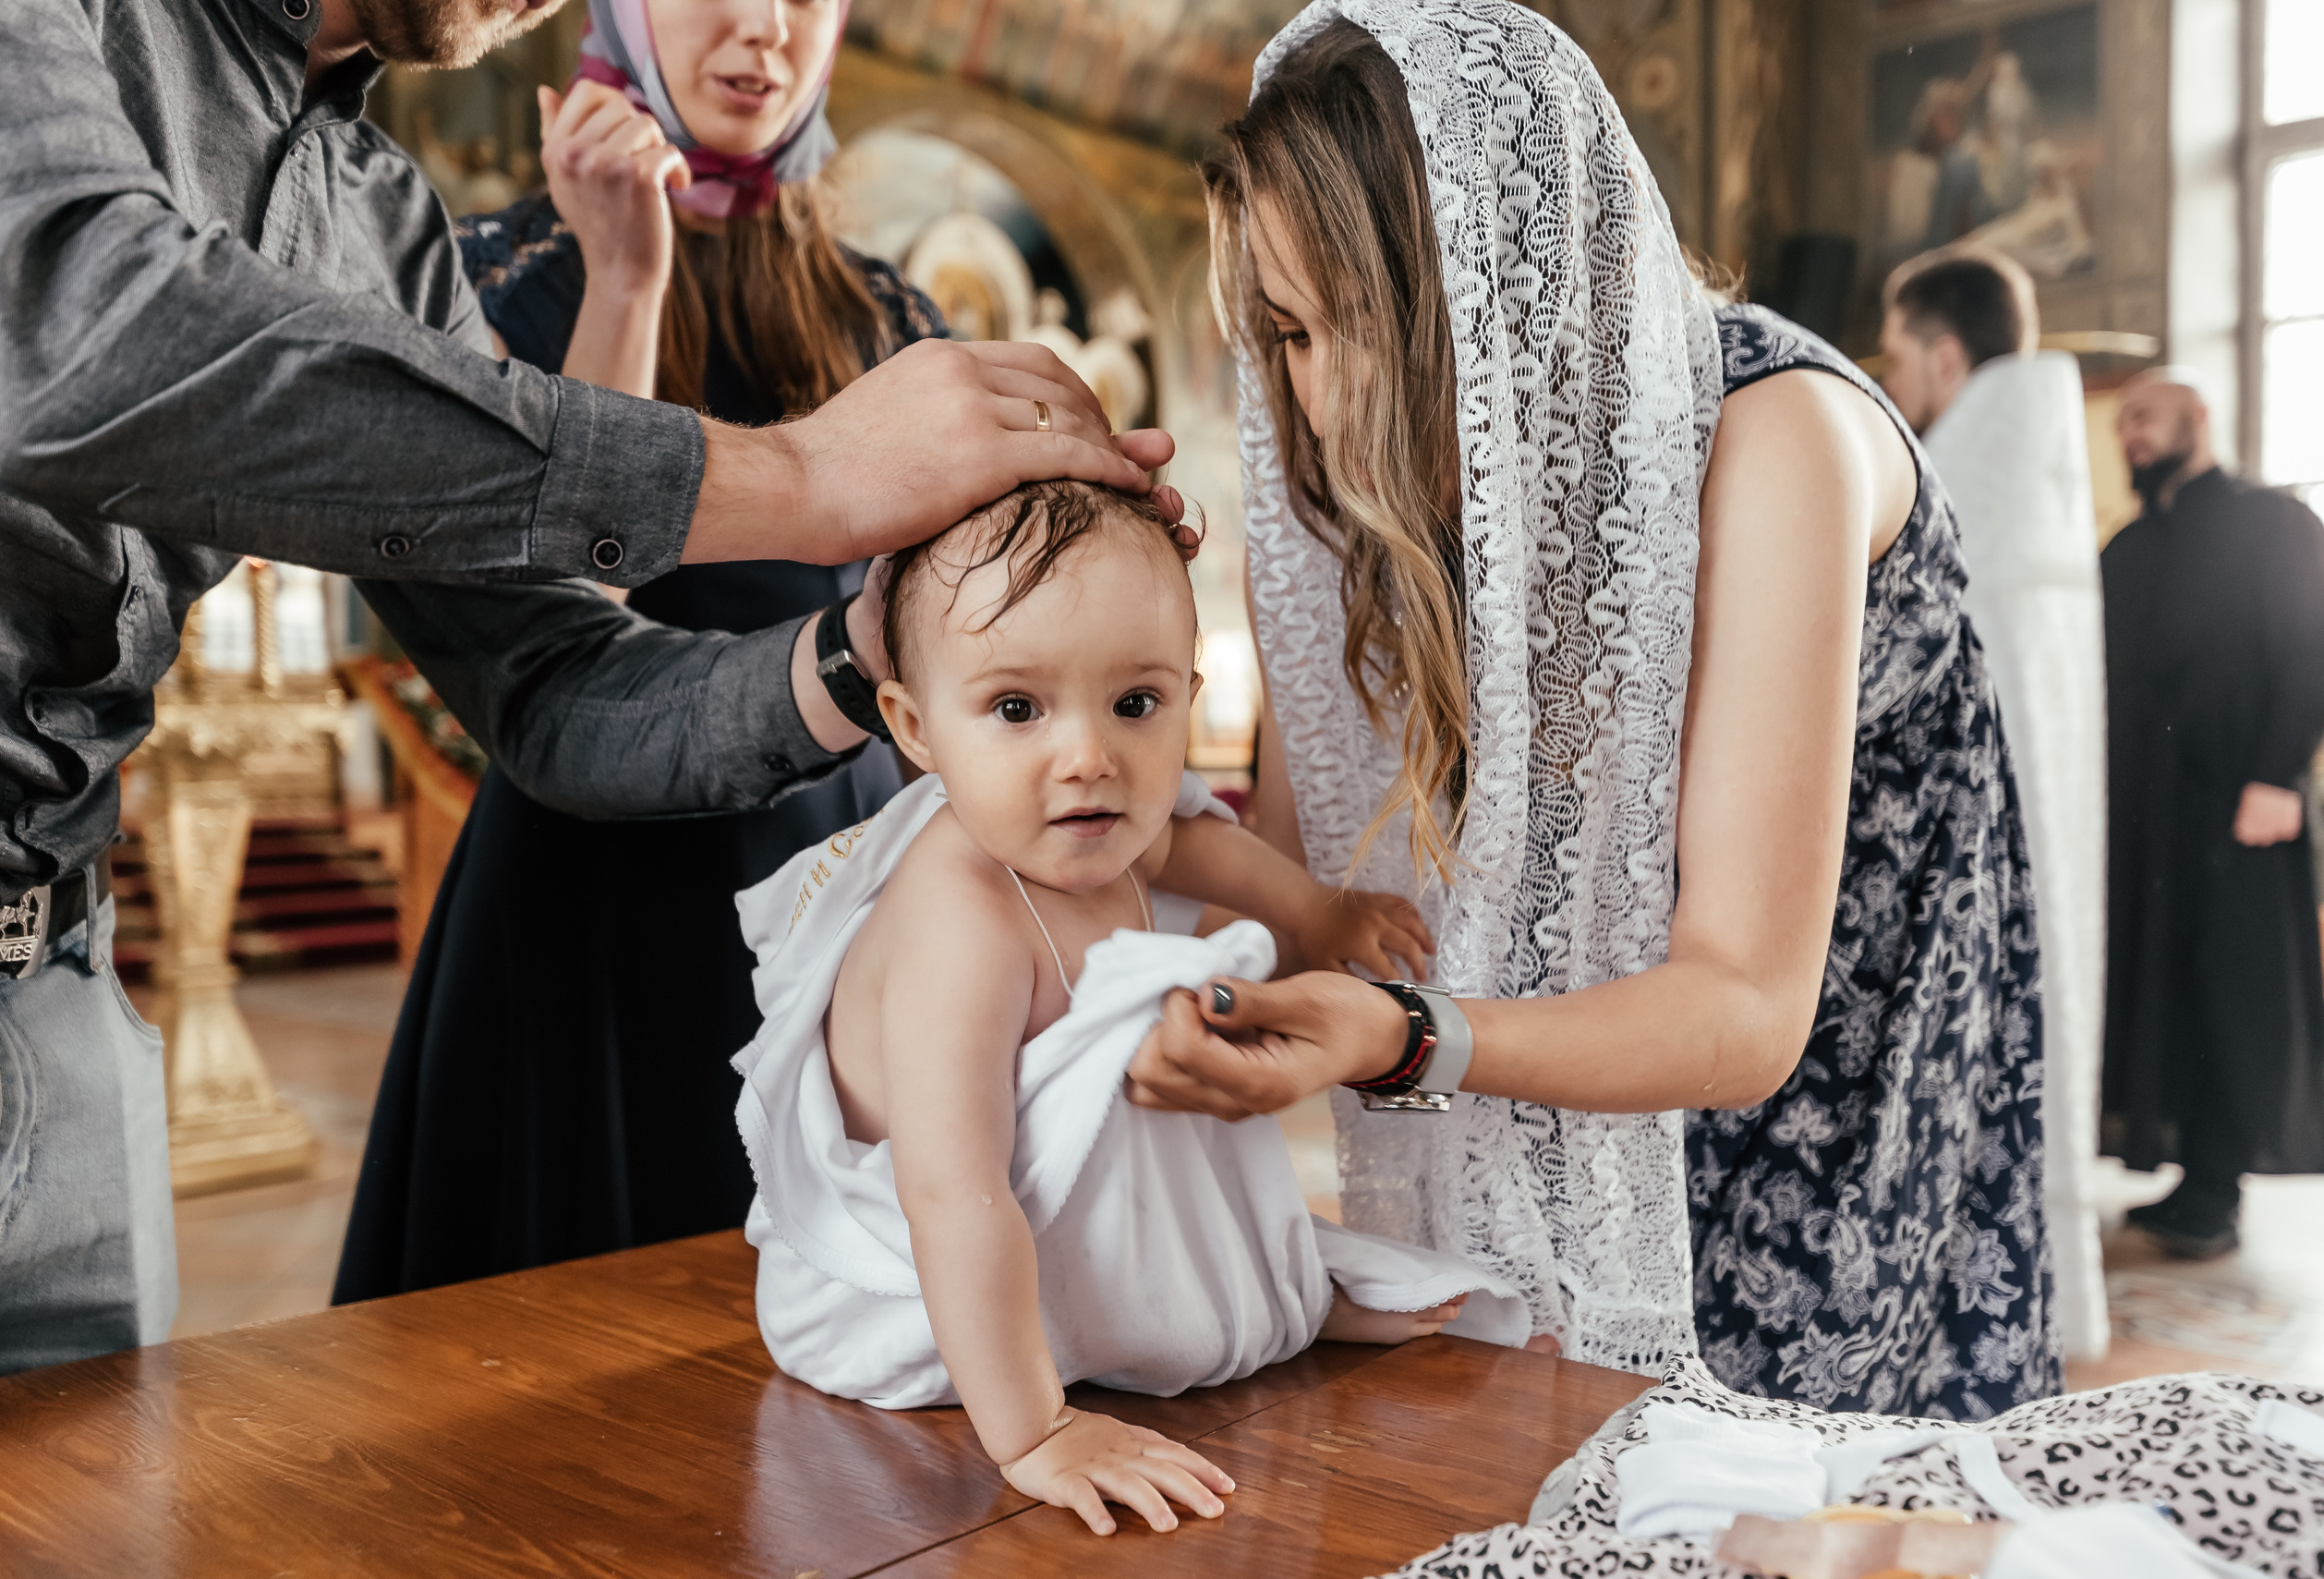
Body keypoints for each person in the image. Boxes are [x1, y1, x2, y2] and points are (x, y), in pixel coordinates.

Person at [0, 0, 1173, 1374]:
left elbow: (552, 673)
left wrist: (870, 651)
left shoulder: (378, 220)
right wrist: (798, 478)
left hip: (53, 992)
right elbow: (67, 324)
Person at [1116, 0, 2053, 1418]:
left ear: (1486, 308)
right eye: (1283, 338)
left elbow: (1742, 1006)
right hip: (1580, 1050)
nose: (1311, 400)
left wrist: (1409, 1034)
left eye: (1340, 328)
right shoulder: (1395, 486)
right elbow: (1307, 874)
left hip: (1832, 1084)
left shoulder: (1773, 435)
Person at [733, 480, 1526, 1535]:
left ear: (1185, 698)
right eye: (1017, 709)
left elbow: (1193, 841)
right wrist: (1035, 1433)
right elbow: (954, 1195)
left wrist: (1320, 909)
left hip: (1035, 1232)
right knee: (1120, 1031)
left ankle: (1247, 1292)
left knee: (1155, 1032)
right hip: (921, 1295)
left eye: (1134, 703)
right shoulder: (957, 919)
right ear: (916, 727)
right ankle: (1186, 1313)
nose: (1088, 755)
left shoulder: (1091, 824)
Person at [332, 0, 945, 1303]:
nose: (763, 27)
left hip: (836, 867)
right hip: (588, 868)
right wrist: (625, 281)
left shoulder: (894, 321)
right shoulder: (477, 278)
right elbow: (547, 628)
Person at [1880, 250, 2110, 1361]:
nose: (1887, 375)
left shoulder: (1950, 477)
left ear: (1943, 354)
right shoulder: (2044, 463)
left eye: (1894, 350)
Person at [2100, 369, 2324, 1258]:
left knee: (2233, 993)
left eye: (2147, 416)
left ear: (2198, 418)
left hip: (2244, 799)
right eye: (2124, 421)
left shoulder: (2275, 522)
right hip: (2148, 817)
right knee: (2168, 988)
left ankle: (2219, 1183)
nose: (2132, 433)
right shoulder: (2124, 549)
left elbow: (2314, 650)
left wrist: (2276, 776)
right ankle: (2191, 1176)